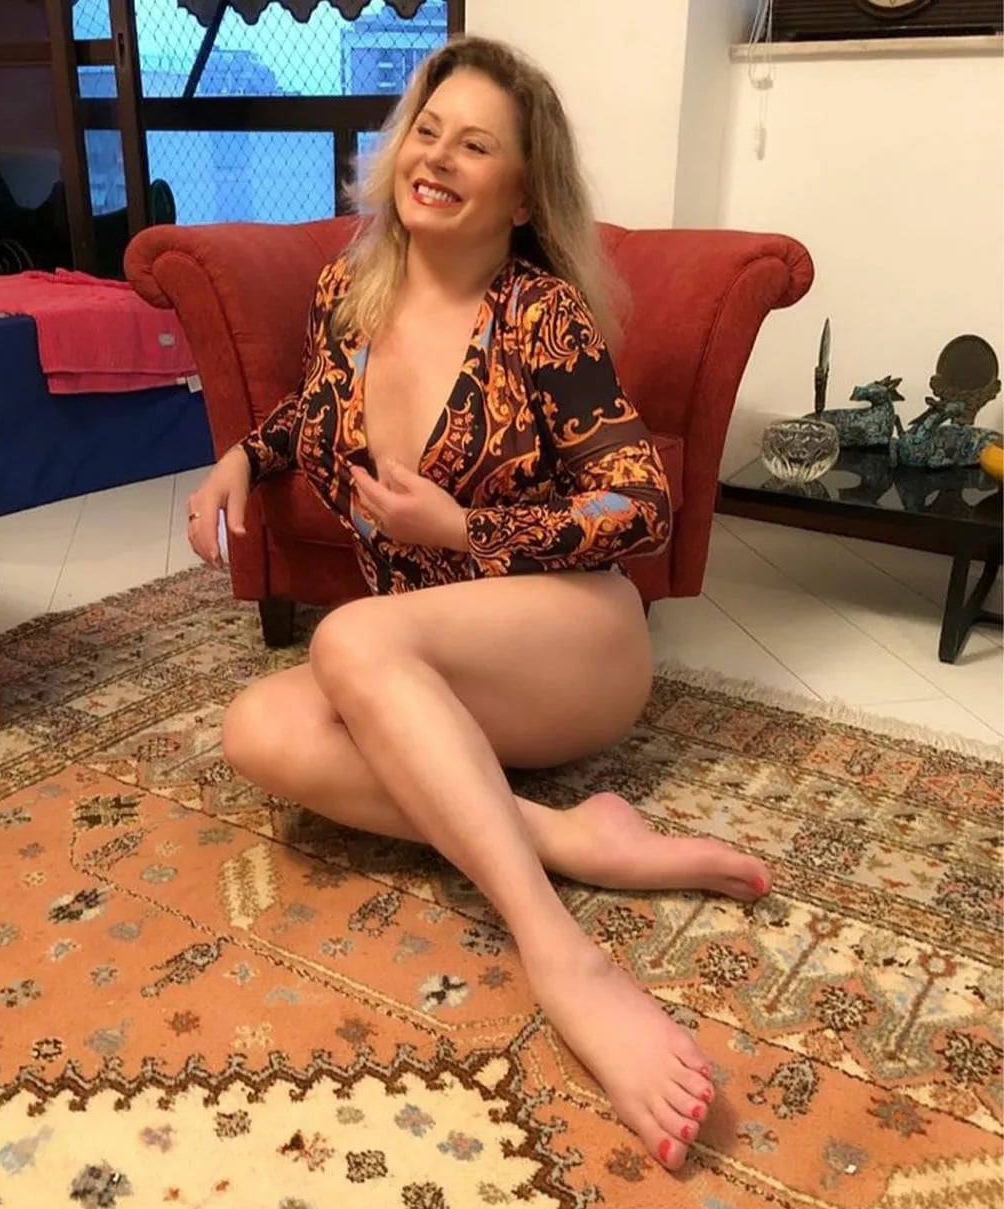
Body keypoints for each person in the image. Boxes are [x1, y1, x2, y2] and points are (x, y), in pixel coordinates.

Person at [185, 34, 770, 1172]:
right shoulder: (348, 295)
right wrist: (242, 459)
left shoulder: (542, 316)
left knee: (350, 638)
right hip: (424, 672)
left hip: (570, 643)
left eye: (476, 145)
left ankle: (560, 954)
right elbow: (314, 411)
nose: (438, 157)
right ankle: (571, 835)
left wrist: (464, 531)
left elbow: (642, 503)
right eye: (428, 130)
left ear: (522, 193)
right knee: (256, 727)